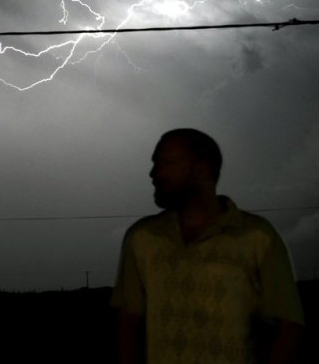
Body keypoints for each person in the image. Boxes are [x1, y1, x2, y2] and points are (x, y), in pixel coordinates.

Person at [111, 128, 304, 363]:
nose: (154, 173)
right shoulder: (142, 238)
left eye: (165, 162)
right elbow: (128, 321)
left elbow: (288, 324)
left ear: (202, 169)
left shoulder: (257, 236)